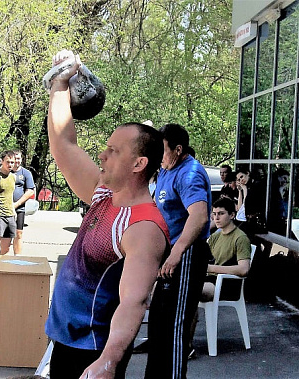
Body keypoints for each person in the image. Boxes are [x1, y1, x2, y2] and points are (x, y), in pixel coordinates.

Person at [44, 49, 169, 379]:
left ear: (138, 164)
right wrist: (61, 81)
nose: (102, 154)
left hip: (92, 349)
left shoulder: (143, 226)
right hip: (68, 341)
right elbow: (63, 143)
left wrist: (109, 361)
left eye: (113, 151)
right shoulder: (104, 195)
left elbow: (134, 301)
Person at [145, 123, 212, 379]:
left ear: (178, 149)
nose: (158, 156)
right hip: (167, 255)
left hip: (186, 255)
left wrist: (176, 253)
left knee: (174, 327)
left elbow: (199, 216)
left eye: (161, 150)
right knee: (158, 325)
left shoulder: (190, 173)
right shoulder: (165, 169)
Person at [189, 196, 251, 355]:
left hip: (227, 284)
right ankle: (174, 340)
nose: (216, 218)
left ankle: (186, 344)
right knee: (174, 289)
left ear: (232, 215)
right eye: (214, 214)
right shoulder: (216, 235)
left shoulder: (240, 238)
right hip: (210, 279)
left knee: (190, 292)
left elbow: (244, 269)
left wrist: (212, 268)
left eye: (221, 214)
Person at [10, 149, 35, 255]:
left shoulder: (26, 173)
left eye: (19, 158)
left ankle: (17, 258)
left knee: (18, 233)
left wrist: (16, 204)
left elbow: (30, 191)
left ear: (21, 159)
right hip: (4, 208)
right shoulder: (6, 171)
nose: (17, 161)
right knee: (3, 235)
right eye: (15, 158)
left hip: (19, 208)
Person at [235, 167, 267, 239]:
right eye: (239, 179)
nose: (241, 180)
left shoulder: (256, 185)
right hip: (247, 221)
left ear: (247, 173)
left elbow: (247, 205)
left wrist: (244, 189)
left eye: (242, 177)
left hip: (254, 221)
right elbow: (240, 208)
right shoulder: (248, 186)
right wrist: (240, 190)